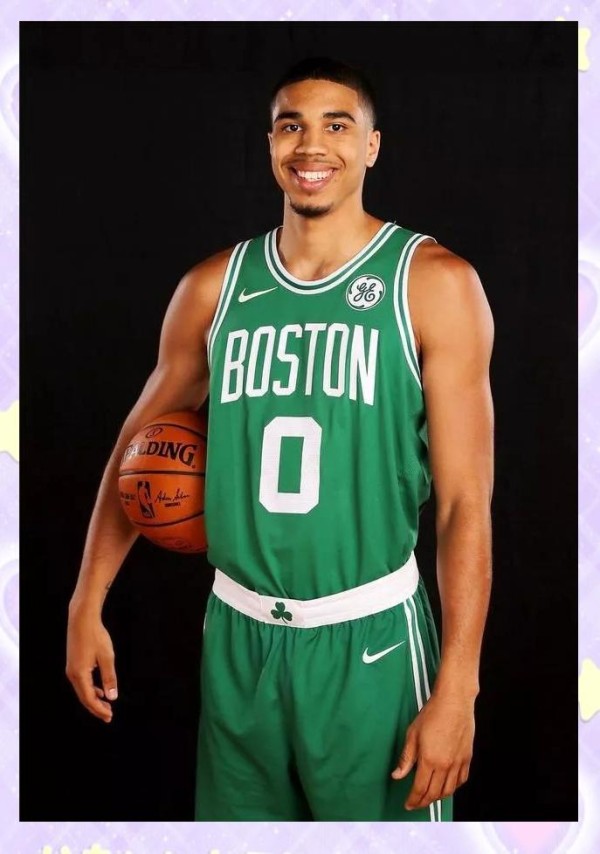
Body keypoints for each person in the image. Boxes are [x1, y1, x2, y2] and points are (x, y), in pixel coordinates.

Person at [66, 56, 494, 822]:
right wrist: (85, 601)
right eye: (291, 125)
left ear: (371, 146)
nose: (311, 145)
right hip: (238, 638)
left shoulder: (432, 283)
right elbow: (137, 453)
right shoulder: (214, 289)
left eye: (337, 125)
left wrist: (459, 683)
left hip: (370, 640)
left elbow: (465, 503)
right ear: (269, 143)